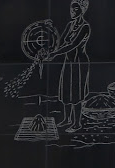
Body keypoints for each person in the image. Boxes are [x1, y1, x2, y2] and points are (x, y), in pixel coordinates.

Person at [42, 0, 91, 133]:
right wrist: (51, 29)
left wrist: (54, 53)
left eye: (76, 9)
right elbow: (60, 42)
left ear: (83, 10)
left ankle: (77, 123)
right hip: (68, 62)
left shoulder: (85, 27)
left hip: (79, 63)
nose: (72, 11)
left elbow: (72, 45)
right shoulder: (70, 24)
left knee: (76, 93)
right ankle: (67, 119)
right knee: (65, 91)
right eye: (71, 9)